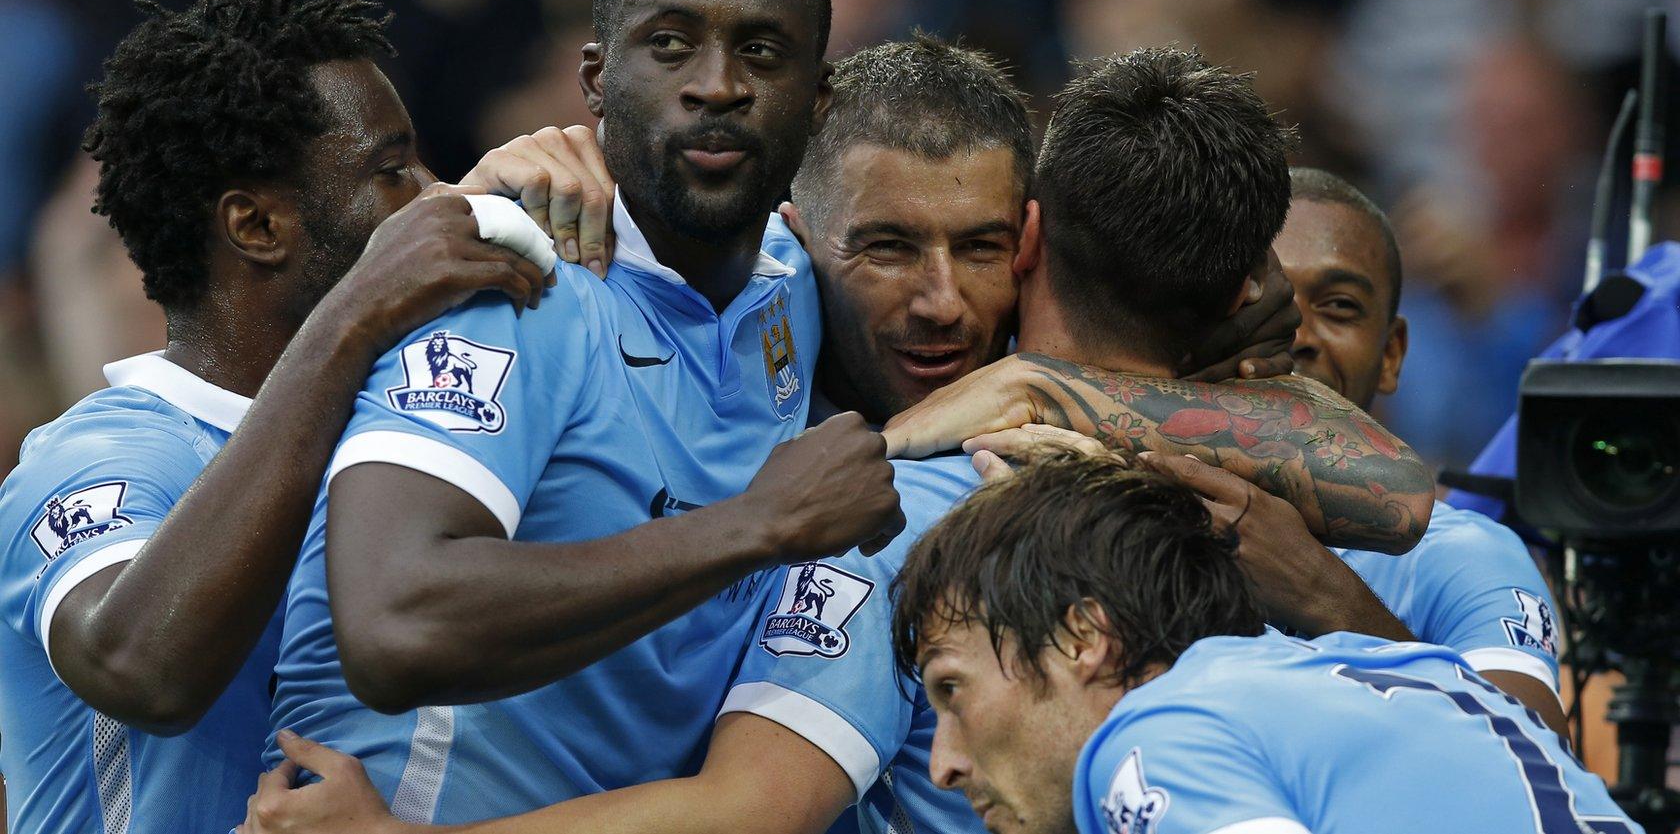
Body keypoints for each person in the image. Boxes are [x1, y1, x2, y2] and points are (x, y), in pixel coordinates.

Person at [240, 45, 1432, 834]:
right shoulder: (746, 293)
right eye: (887, 249)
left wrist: (1034, 383)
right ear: (795, 235)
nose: (939, 302)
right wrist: (505, 184)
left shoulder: (916, 503)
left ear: (1026, 244)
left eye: (974, 249)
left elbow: (754, 805)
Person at [265, 0, 904, 825]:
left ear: (821, 97)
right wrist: (758, 524)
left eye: (762, 51)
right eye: (672, 45)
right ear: (597, 82)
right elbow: (394, 626)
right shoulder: (516, 282)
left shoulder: (794, 283)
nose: (716, 85)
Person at [0, 0, 567, 834]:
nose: (436, 198)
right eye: (393, 169)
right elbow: (140, 666)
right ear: (257, 225)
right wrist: (356, 314)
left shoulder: (408, 448)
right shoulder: (98, 460)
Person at [892, 450, 1641, 834]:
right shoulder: (1400, 671)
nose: (943, 763)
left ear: (1083, 636)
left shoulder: (1161, 734)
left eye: (952, 688)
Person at [1259, 166, 1566, 730]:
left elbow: (1531, 782)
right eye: (1266, 298)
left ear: (1392, 354)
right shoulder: (1135, 518)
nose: (1298, 336)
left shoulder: (1467, 558)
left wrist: (1325, 596)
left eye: (1339, 307)